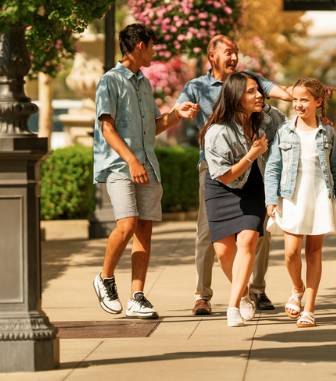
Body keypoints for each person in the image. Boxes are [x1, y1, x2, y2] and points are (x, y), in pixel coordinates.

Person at [174, 35, 305, 315]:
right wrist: (181, 112)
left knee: (261, 232)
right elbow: (177, 112)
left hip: (256, 167)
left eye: (236, 52)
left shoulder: (249, 80)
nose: (234, 57)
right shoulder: (196, 86)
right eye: (228, 52)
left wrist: (308, 97)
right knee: (209, 233)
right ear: (212, 56)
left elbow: (282, 93)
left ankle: (256, 290)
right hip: (214, 168)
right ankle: (203, 294)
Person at [92, 23, 199, 319]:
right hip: (121, 165)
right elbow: (106, 128)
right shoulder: (109, 81)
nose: (154, 51)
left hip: (147, 164)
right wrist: (131, 161)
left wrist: (177, 114)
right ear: (140, 45)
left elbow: (156, 126)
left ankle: (136, 297)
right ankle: (105, 278)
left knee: (144, 229)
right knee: (126, 225)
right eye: (152, 46)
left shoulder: (144, 83)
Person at [265, 78, 336, 328]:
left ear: (317, 102)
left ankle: (309, 308)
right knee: (291, 253)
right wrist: (271, 199)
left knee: (313, 252)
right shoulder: (285, 130)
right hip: (291, 196)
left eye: (305, 100)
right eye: (296, 99)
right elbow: (273, 167)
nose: (298, 104)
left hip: (320, 195)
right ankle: (297, 287)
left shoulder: (327, 131)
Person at [199, 72, 278, 327]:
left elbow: (293, 125)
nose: (259, 96)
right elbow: (224, 177)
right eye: (251, 92)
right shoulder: (217, 132)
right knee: (223, 253)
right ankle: (243, 292)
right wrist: (252, 154)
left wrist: (320, 123)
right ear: (236, 97)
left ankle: (232, 307)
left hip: (254, 185)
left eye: (259, 90)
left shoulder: (268, 118)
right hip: (222, 188)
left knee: (248, 240)